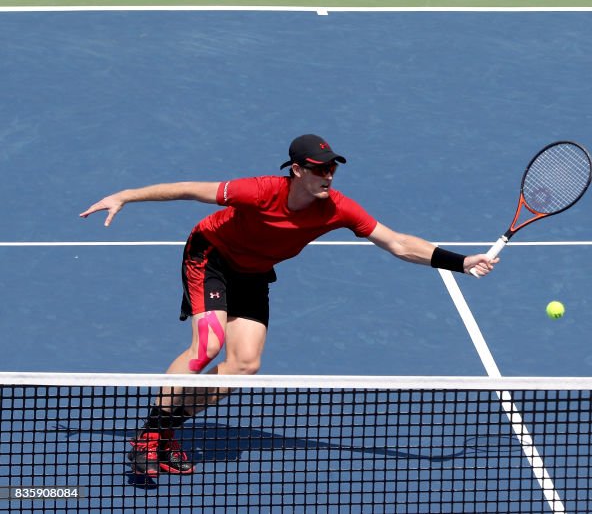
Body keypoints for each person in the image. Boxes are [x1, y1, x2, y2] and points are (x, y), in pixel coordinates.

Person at [80, 134, 498, 476]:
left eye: (332, 168)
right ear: (297, 170)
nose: (328, 176)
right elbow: (190, 189)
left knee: (243, 368)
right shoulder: (258, 191)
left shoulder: (338, 209)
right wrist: (127, 195)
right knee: (207, 346)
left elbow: (398, 242)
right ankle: (151, 434)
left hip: (254, 272)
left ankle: (167, 429)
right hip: (212, 257)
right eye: (319, 168)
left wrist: (460, 262)